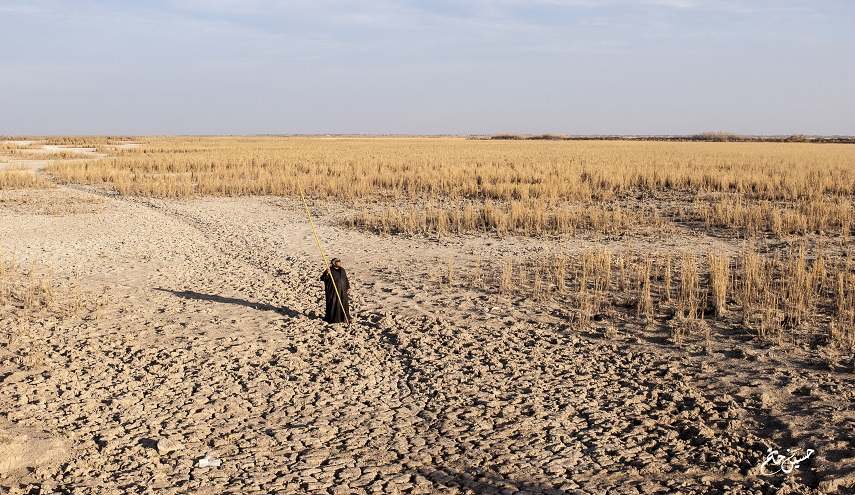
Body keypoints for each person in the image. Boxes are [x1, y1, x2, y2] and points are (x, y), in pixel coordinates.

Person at [320, 257, 350, 324]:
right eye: (338, 262)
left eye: (340, 262)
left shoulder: (342, 270)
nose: (339, 263)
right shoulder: (329, 270)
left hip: (343, 290)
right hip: (334, 291)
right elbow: (322, 278)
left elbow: (345, 279)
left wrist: (348, 287)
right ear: (334, 263)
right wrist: (327, 274)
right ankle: (333, 319)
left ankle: (344, 318)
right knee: (334, 304)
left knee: (344, 303)